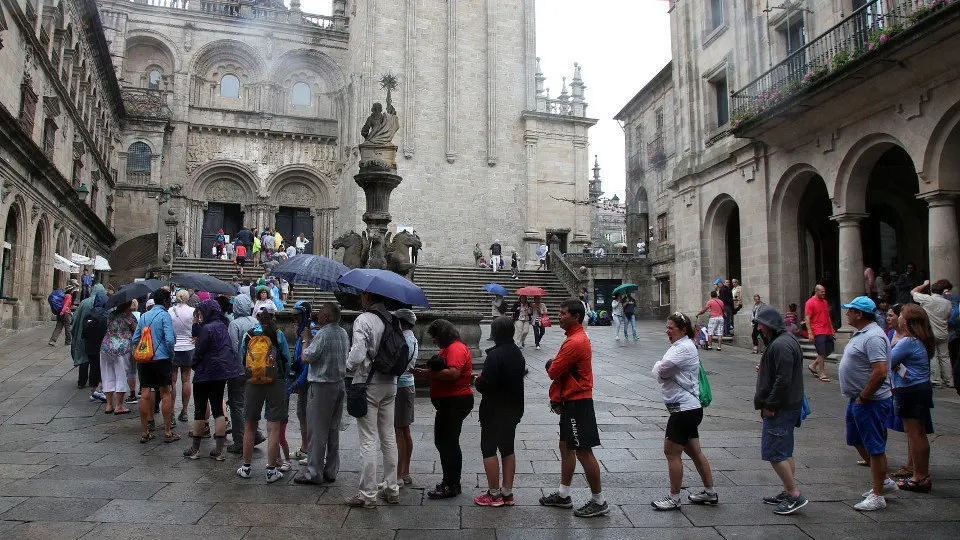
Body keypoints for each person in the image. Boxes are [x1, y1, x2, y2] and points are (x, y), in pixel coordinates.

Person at [539, 299, 610, 518]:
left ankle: (599, 501)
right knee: (566, 446)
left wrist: (552, 364)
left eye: (563, 314)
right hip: (570, 401)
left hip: (578, 402)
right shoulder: (574, 338)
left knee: (583, 452)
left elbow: (553, 370)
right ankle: (563, 494)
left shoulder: (575, 342)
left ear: (576, 316)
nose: (559, 316)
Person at [649, 312, 717, 511]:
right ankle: (710, 492)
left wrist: (658, 368)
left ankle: (674, 498)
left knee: (671, 452)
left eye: (671, 328)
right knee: (695, 452)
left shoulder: (682, 349)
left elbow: (661, 371)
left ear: (683, 330)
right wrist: (660, 369)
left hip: (683, 410)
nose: (667, 331)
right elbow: (663, 371)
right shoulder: (683, 346)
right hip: (689, 408)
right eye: (667, 327)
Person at [837, 296, 895, 511]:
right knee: (855, 439)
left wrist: (864, 396)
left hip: (870, 401)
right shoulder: (861, 332)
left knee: (874, 446)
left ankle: (878, 494)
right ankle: (884, 481)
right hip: (857, 399)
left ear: (859, 314)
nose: (847, 314)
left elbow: (880, 371)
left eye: (850, 310)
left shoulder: (873, 337)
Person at [344, 291, 401, 507]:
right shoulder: (393, 319)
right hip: (391, 383)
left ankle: (368, 494)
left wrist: (347, 367)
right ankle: (391, 488)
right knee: (388, 437)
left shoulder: (364, 319)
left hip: (369, 382)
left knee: (367, 439)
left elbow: (358, 354)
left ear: (368, 298)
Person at [753, 306, 808, 515]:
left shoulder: (781, 344)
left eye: (760, 324)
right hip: (787, 405)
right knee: (785, 451)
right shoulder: (783, 341)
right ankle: (787, 489)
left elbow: (783, 379)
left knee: (775, 453)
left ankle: (794, 494)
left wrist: (770, 405)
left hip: (781, 407)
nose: (758, 328)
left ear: (770, 324)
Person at [415, 318, 474, 499]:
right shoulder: (449, 348)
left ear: (442, 335)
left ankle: (451, 484)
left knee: (447, 443)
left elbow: (454, 373)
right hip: (449, 401)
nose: (433, 340)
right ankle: (451, 481)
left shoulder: (455, 348)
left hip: (454, 401)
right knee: (445, 442)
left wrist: (428, 373)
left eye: (435, 337)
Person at [294, 302, 349, 485]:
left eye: (320, 313)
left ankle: (314, 472)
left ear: (326, 316)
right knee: (333, 430)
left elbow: (306, 357)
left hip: (322, 386)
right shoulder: (342, 332)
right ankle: (331, 470)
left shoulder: (323, 334)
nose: (317, 315)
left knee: (317, 431)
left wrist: (305, 340)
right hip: (339, 384)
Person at [474, 316, 526, 507]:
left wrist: (477, 380)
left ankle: (494, 494)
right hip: (513, 408)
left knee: (488, 448)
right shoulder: (516, 353)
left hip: (494, 409)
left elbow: (487, 386)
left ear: (495, 333)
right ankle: (507, 492)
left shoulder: (494, 356)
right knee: (507, 448)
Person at [184, 300, 242, 461]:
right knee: (218, 409)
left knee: (199, 410)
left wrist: (194, 363)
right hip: (221, 373)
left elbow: (199, 351)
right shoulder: (223, 326)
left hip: (204, 373)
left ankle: (195, 449)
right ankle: (219, 450)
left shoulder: (207, 328)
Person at [237, 310, 291, 483]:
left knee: (250, 425)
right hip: (276, 381)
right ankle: (271, 470)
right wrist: (285, 379)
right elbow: (287, 360)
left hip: (253, 382)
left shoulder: (249, 334)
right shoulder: (278, 334)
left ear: (257, 320)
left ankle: (246, 467)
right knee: (273, 427)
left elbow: (241, 359)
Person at [887, 303, 935, 493]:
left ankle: (919, 476)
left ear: (906, 321)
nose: (898, 318)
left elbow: (888, 360)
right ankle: (921, 474)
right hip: (920, 388)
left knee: (914, 434)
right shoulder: (919, 340)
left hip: (910, 390)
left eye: (901, 315)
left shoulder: (908, 342)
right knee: (918, 434)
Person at [133, 288, 178, 443]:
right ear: (166, 301)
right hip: (162, 359)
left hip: (145, 360)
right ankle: (167, 432)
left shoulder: (144, 316)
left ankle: (145, 431)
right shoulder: (165, 316)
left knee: (145, 394)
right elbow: (170, 340)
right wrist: (171, 356)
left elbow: (135, 339)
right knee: (165, 393)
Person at [225, 294, 263, 454]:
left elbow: (233, 347)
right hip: (256, 368)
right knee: (252, 402)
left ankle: (240, 439)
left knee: (237, 404)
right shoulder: (255, 322)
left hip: (239, 370)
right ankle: (256, 433)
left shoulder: (234, 324)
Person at [911, 279, 953, 388]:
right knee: (945, 357)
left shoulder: (927, 299)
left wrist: (924, 284)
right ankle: (949, 380)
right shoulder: (947, 303)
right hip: (943, 332)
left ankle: (936, 380)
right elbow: (948, 316)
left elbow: (913, 292)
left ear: (931, 290)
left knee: (934, 355)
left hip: (932, 332)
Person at [393, 309, 419, 486]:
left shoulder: (402, 340)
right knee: (405, 430)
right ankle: (406, 471)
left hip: (400, 386)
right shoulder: (414, 339)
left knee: (398, 432)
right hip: (409, 384)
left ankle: (399, 475)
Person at [99, 300, 138, 415]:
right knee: (121, 375)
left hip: (106, 346)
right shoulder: (129, 316)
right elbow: (136, 331)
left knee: (107, 375)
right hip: (122, 348)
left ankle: (109, 405)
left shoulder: (110, 314)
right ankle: (119, 406)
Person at [290, 301, 313, 466]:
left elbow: (309, 362)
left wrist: (299, 381)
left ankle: (309, 449)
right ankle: (304, 447)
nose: (295, 318)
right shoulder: (302, 331)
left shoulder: (310, 332)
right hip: (301, 376)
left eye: (298, 315)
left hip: (306, 380)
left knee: (306, 415)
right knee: (301, 414)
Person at [71, 283, 106, 391]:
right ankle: (95, 382)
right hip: (98, 336)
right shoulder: (104, 302)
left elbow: (75, 318)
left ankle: (81, 381)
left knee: (83, 358)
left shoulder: (84, 302)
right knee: (96, 360)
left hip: (83, 334)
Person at [168, 290, 196, 425]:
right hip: (188, 346)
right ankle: (184, 410)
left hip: (174, 346)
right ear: (187, 298)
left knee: (172, 381)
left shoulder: (170, 311)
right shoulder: (192, 311)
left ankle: (171, 411)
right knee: (186, 380)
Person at [805, 284, 835, 382]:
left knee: (829, 350)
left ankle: (813, 365)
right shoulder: (810, 302)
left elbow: (827, 316)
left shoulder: (825, 302)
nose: (824, 293)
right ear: (816, 291)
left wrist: (832, 329)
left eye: (824, 291)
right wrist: (810, 332)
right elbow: (807, 318)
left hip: (827, 330)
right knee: (821, 352)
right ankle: (822, 373)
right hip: (817, 330)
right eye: (822, 292)